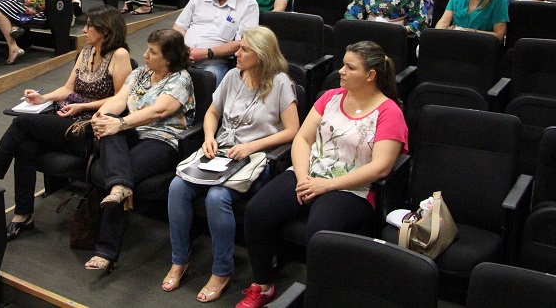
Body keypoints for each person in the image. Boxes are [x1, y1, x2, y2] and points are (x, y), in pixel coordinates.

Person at [237, 41, 408, 308]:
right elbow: (302, 139)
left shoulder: (389, 112)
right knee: (257, 212)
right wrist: (303, 177)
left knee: (319, 232)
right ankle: (263, 285)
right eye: (343, 65)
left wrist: (326, 186)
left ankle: (319, 297)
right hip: (309, 173)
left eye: (350, 67)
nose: (341, 71)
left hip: (352, 187)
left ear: (371, 75)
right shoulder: (330, 97)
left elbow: (381, 167)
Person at [164, 26, 300, 302]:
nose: (236, 53)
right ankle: (179, 260)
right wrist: (209, 137)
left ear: (260, 55)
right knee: (177, 187)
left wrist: (252, 146)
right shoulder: (231, 76)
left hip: (256, 158)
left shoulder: (280, 83)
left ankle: (222, 271)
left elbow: (292, 130)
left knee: (217, 197)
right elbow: (212, 113)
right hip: (223, 152)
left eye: (244, 50)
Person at [0, 6, 132, 240]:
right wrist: (43, 98)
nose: (84, 30)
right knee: (25, 148)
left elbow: (120, 99)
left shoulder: (120, 55)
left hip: (88, 126)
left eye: (89, 26)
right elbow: (68, 89)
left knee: (22, 124)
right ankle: (23, 216)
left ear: (105, 31)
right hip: (66, 118)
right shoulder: (86, 51)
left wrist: (82, 107)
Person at [84, 29, 195, 272]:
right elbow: (119, 100)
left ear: (169, 59)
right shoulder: (141, 73)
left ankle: (106, 251)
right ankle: (120, 187)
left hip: (163, 140)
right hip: (134, 133)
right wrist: (101, 116)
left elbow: (159, 111)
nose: (144, 55)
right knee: (111, 132)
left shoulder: (181, 79)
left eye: (152, 52)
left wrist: (120, 123)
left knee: (121, 168)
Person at [174, 0, 259, 86]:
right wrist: (182, 49)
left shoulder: (248, 3)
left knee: (210, 86)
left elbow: (242, 43)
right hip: (183, 57)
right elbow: (179, 27)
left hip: (213, 63)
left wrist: (206, 53)